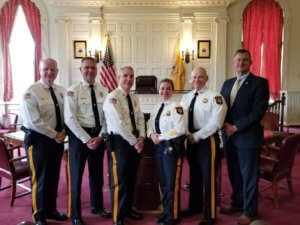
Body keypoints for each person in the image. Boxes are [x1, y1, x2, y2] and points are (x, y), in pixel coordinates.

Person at [220, 49, 269, 225]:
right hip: (229, 137)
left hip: (247, 138)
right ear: (233, 63)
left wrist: (235, 127)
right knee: (234, 174)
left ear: (251, 62)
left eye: (244, 60)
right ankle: (237, 202)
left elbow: (258, 112)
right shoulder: (227, 83)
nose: (241, 63)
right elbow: (222, 109)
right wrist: (222, 125)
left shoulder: (260, 83)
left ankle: (249, 211)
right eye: (238, 60)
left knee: (249, 176)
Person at [20, 58, 68, 225]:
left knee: (53, 177)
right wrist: (54, 134)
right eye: (46, 69)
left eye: (53, 70)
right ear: (40, 71)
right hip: (39, 141)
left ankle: (51, 210)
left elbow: (65, 116)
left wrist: (63, 133)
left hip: (57, 141)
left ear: (57, 71)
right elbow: (33, 121)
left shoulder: (62, 91)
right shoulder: (31, 91)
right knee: (39, 178)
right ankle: (38, 215)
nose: (49, 72)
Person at [64, 57, 111, 225]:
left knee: (97, 175)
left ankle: (96, 206)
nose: (90, 71)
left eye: (92, 68)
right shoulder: (72, 91)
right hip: (79, 139)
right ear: (80, 69)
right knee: (76, 177)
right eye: (86, 68)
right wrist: (86, 139)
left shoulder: (104, 90)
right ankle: (75, 214)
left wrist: (100, 137)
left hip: (98, 137)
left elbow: (108, 117)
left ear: (97, 70)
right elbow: (70, 119)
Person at [180, 67, 227, 225]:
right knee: (194, 176)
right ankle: (195, 207)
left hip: (207, 141)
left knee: (209, 178)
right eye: (194, 77)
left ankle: (210, 215)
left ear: (206, 78)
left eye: (200, 77)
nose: (196, 80)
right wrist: (187, 134)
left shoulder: (215, 97)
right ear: (190, 79)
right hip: (191, 140)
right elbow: (180, 119)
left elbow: (216, 123)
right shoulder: (185, 98)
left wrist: (197, 136)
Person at [103, 66, 145, 225]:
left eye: (131, 76)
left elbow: (140, 117)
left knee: (131, 178)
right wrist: (135, 142)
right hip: (120, 142)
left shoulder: (134, 98)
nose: (129, 79)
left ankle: (127, 209)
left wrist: (141, 136)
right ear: (118, 78)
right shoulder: (112, 97)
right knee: (119, 181)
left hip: (134, 141)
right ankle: (117, 216)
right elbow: (119, 124)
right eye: (125, 76)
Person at [147, 79, 186, 225]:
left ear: (173, 91)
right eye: (162, 88)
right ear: (159, 90)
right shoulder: (156, 107)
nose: (165, 91)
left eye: (168, 89)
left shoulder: (177, 107)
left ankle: (174, 215)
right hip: (158, 149)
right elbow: (149, 124)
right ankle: (166, 211)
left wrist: (161, 137)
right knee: (163, 183)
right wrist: (151, 135)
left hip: (171, 149)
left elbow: (180, 129)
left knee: (172, 184)